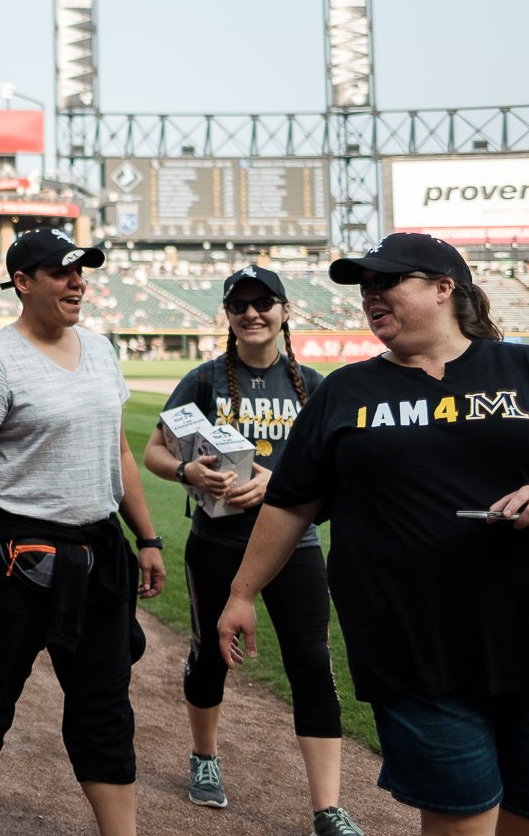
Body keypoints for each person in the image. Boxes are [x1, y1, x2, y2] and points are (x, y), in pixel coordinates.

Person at [219, 232, 529, 836]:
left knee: (527, 820)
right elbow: (289, 504)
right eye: (364, 286)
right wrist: (241, 595)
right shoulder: (346, 392)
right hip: (414, 648)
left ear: (445, 287)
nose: (371, 296)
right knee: (461, 822)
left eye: (386, 281)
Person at [0, 229, 165, 836]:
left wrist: (147, 536)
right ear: (23, 282)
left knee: (105, 705)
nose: (78, 283)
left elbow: (118, 449)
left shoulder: (101, 348)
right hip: (18, 560)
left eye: (82, 272)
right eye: (63, 273)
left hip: (99, 553)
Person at [141, 265, 360, 836]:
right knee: (210, 656)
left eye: (264, 302)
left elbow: (337, 470)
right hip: (217, 544)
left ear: (285, 311)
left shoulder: (312, 382)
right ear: (229, 317)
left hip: (296, 544)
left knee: (311, 664)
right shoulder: (205, 378)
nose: (253, 313)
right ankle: (205, 756)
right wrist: (187, 471)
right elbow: (154, 452)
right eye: (240, 305)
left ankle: (328, 808)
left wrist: (281, 485)